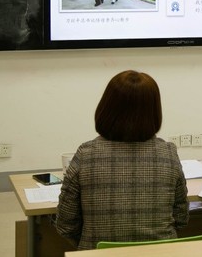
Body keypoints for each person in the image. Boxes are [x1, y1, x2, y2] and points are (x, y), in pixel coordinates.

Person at [55, 70, 188, 250]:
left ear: (106, 108)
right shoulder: (168, 153)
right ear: (154, 111)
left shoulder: (86, 154)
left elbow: (66, 224)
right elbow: (181, 218)